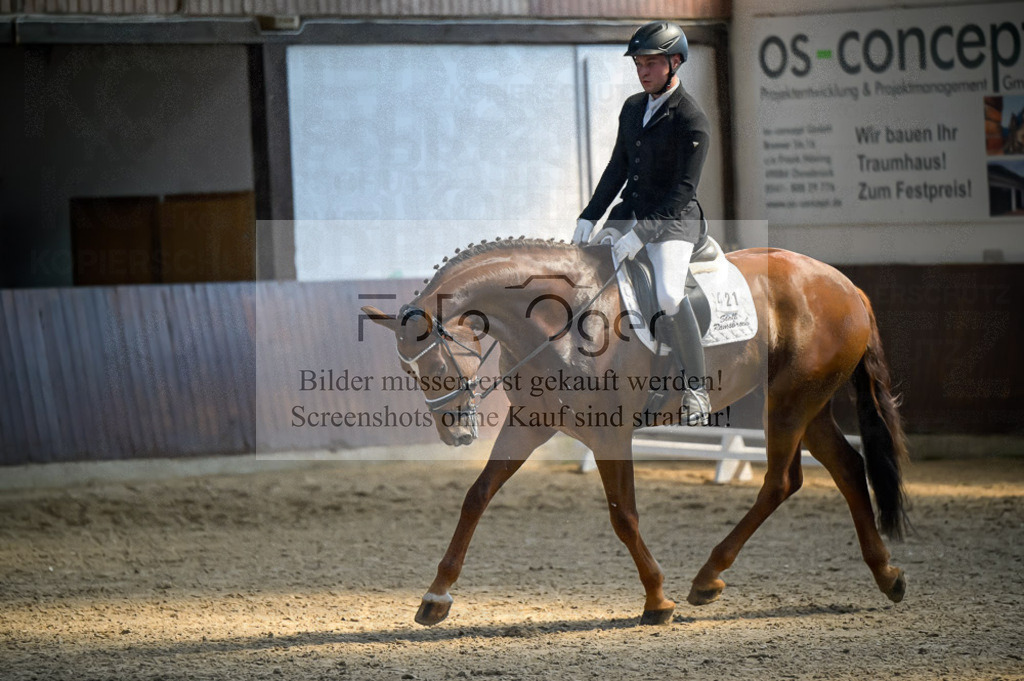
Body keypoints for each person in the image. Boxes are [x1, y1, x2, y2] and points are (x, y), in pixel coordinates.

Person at [571, 20, 712, 426]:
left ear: (675, 62)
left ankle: (695, 387)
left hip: (673, 222)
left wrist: (641, 235)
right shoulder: (633, 108)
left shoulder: (691, 119)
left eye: (651, 63)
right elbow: (618, 167)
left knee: (668, 294)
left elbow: (681, 193)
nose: (643, 71)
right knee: (586, 274)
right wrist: (590, 214)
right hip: (629, 212)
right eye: (638, 64)